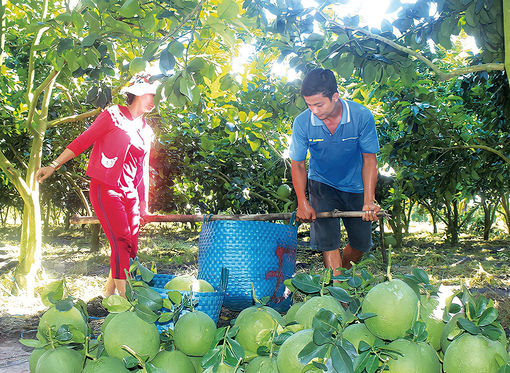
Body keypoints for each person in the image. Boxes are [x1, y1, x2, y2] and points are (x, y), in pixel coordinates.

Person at [36, 74, 158, 297]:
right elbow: (84, 140)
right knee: (120, 242)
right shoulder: (112, 116)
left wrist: (143, 203)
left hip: (130, 193)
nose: (153, 99)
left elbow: (143, 169)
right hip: (106, 188)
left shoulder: (145, 129)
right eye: (149, 94)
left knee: (130, 247)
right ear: (136, 94)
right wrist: (53, 165)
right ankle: (126, 303)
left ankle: (108, 297)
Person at [289, 68, 380, 275]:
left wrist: (369, 199)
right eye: (309, 104)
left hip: (355, 184)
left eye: (319, 104)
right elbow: (298, 164)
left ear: (335, 97)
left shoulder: (361, 116)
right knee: (328, 242)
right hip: (322, 183)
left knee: (361, 243)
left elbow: (369, 159)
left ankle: (340, 276)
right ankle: (338, 294)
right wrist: (303, 203)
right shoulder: (302, 123)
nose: (313, 110)